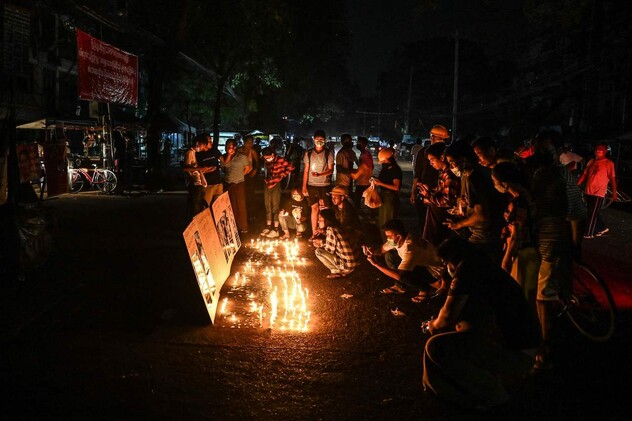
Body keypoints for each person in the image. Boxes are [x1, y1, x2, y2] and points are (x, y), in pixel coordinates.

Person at [422, 237, 541, 410]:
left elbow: (446, 317)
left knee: (435, 346)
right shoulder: (485, 267)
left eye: (444, 262)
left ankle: (493, 394)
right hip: (527, 348)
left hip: (518, 355)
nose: (446, 269)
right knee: (458, 332)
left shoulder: (467, 271)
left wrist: (432, 325)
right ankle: (446, 392)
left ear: (451, 260)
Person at [444, 141, 506, 265]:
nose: (451, 167)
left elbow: (481, 215)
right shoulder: (472, 174)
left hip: (483, 235)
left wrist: (459, 225)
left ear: (463, 159)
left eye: (452, 162)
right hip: (487, 233)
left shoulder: (474, 178)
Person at [491, 162, 539, 303]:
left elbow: (516, 235)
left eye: (495, 182)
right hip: (532, 250)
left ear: (504, 183)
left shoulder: (518, 203)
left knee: (520, 295)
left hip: (522, 253)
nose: (495, 185)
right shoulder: (528, 195)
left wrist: (506, 259)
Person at [365, 219, 443, 301]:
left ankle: (426, 288)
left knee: (404, 277)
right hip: (421, 264)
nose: (388, 239)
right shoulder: (399, 240)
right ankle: (400, 286)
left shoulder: (410, 248)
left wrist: (376, 264)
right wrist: (370, 250)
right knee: (389, 255)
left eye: (389, 236)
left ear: (398, 237)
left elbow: (399, 275)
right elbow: (381, 250)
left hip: (433, 271)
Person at [416, 142, 460, 247]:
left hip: (442, 218)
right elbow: (440, 191)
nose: (431, 163)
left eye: (432, 160)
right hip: (436, 215)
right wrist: (429, 191)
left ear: (441, 157)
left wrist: (428, 197)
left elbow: (447, 201)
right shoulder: (442, 173)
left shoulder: (449, 175)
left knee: (437, 245)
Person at [411, 125, 449, 236]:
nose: (432, 163)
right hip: (425, 192)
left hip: (439, 195)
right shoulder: (423, 152)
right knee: (423, 223)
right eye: (438, 139)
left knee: (437, 226)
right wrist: (414, 191)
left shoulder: (447, 154)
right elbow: (417, 174)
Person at [578, 143, 617, 238]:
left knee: (592, 213)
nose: (598, 151)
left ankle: (589, 233)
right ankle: (601, 228)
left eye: (600, 150)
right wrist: (577, 184)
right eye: (597, 150)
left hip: (598, 192)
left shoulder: (609, 163)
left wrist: (614, 193)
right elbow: (584, 174)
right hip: (588, 190)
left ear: (605, 151)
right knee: (593, 211)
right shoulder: (591, 161)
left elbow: (612, 179)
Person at [302, 130, 334, 242]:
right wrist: (304, 186)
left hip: (325, 185)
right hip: (311, 185)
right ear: (313, 139)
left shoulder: (328, 153)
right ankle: (314, 233)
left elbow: (331, 170)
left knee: (325, 209)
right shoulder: (309, 153)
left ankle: (327, 233)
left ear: (325, 140)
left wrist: (320, 174)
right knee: (314, 209)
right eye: (317, 140)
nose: (319, 142)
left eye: (321, 140)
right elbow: (306, 171)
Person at [313, 209, 360, 279]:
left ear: (326, 219)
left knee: (318, 251)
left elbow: (329, 250)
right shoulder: (337, 226)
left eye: (320, 218)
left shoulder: (330, 229)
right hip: (354, 263)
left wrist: (320, 243)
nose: (318, 221)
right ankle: (341, 271)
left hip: (347, 266)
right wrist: (323, 233)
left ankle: (336, 272)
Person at [261, 147, 294, 238]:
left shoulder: (280, 160)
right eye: (265, 158)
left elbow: (291, 167)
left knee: (275, 206)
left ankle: (275, 230)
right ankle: (268, 227)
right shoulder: (266, 162)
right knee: (267, 205)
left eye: (268, 157)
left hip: (276, 184)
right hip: (267, 183)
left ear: (272, 155)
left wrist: (283, 174)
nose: (267, 159)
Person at [221, 138, 251, 233]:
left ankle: (243, 226)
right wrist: (229, 156)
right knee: (231, 205)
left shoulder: (242, 156)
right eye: (227, 146)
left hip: (239, 183)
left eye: (230, 146)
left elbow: (247, 168)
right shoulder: (223, 157)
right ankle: (233, 226)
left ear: (235, 147)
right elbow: (223, 168)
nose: (228, 148)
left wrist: (241, 175)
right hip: (228, 183)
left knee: (241, 205)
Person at [371, 148, 402, 241]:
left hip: (390, 199)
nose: (383, 163)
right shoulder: (385, 169)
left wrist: (380, 183)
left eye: (384, 161)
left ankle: (390, 250)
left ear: (389, 160)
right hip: (383, 197)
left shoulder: (395, 170)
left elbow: (396, 187)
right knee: (382, 223)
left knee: (388, 225)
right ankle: (385, 247)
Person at [183, 135, 209, 220]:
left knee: (199, 206)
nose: (203, 148)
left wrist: (200, 170)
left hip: (197, 183)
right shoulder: (190, 152)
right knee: (195, 208)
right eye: (203, 145)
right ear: (198, 143)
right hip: (194, 184)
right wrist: (200, 169)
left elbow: (193, 167)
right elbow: (186, 169)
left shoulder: (193, 153)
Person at [197, 133, 223, 206]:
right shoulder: (198, 154)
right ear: (204, 142)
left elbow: (224, 160)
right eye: (209, 140)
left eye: (211, 140)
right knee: (205, 207)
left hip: (218, 183)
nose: (211, 142)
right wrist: (208, 170)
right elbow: (197, 170)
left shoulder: (214, 151)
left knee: (218, 207)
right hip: (207, 185)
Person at [239, 135, 261, 220]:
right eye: (248, 142)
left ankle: (251, 214)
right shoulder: (239, 151)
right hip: (240, 175)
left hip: (249, 175)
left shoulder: (252, 151)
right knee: (242, 194)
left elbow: (257, 162)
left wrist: (255, 170)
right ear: (244, 142)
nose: (250, 144)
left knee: (250, 194)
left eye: (251, 142)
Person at [353, 136, 374, 211]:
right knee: (359, 199)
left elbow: (368, 166)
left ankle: (370, 215)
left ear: (364, 144)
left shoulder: (366, 154)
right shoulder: (363, 154)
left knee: (361, 199)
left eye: (359, 143)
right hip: (361, 180)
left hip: (364, 181)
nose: (358, 144)